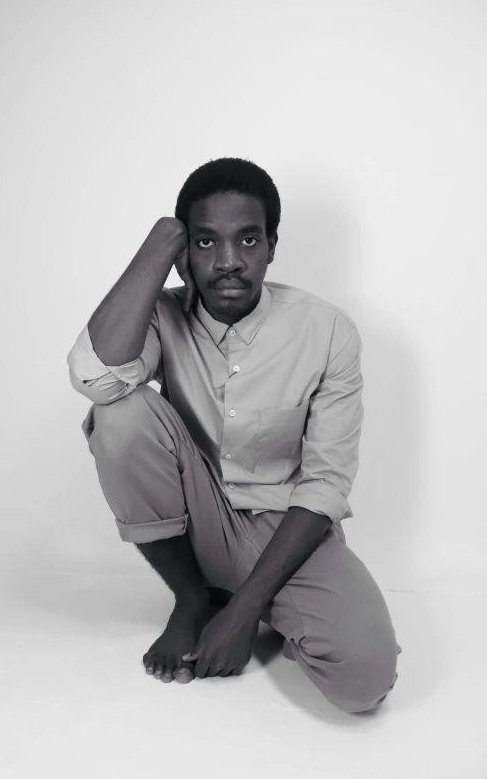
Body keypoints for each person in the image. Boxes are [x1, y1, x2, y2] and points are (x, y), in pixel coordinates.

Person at [67, 157, 402, 713]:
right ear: (183, 257)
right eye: (204, 243)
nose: (228, 262)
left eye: (247, 240)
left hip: (282, 526)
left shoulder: (327, 331)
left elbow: (324, 484)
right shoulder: (158, 315)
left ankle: (247, 595)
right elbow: (94, 378)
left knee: (364, 681)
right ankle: (193, 596)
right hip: (195, 514)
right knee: (120, 412)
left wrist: (246, 610)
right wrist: (161, 241)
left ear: (272, 245)